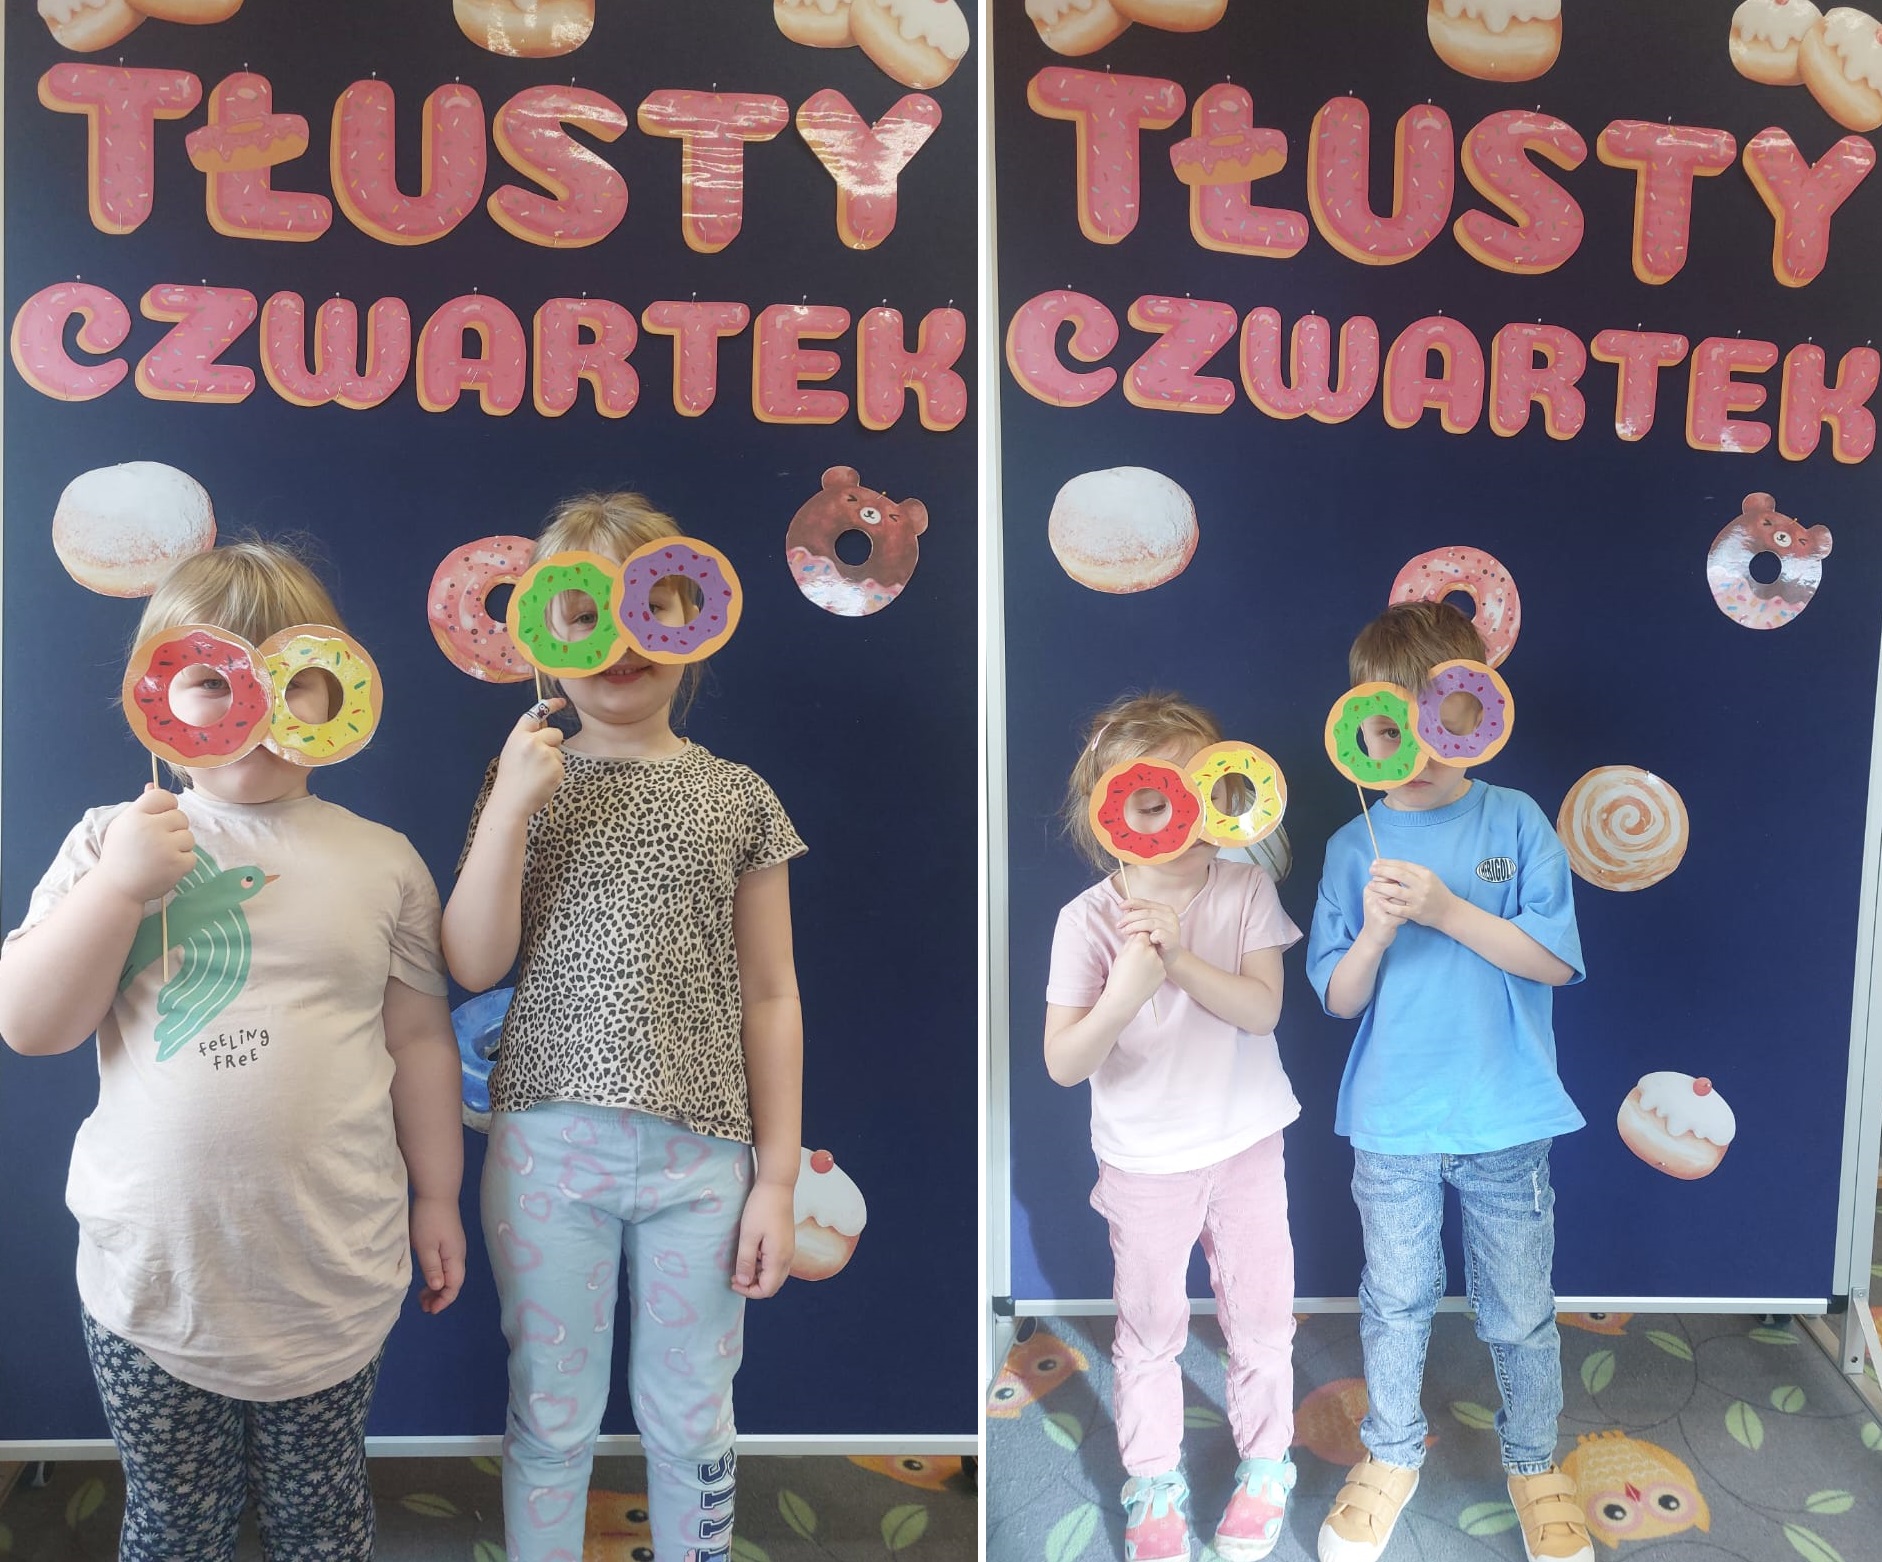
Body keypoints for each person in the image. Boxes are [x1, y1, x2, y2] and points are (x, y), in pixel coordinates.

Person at [0, 540, 465, 1561]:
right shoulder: (109, 839)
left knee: (320, 1518)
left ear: (338, 694)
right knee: (177, 1525)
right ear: (156, 698)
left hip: (331, 1271)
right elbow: (32, 1024)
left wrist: (438, 1194)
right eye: (215, 679)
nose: (254, 707)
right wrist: (120, 885)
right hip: (153, 1278)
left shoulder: (384, 862)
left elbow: (420, 1040)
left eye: (293, 679)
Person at [443, 492, 804, 1562]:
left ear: (696, 624)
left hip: (704, 1159)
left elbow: (771, 992)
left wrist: (777, 1177)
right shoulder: (524, 781)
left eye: (654, 604)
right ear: (542, 641)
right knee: (551, 1413)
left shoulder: (737, 795)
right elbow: (472, 961)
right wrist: (512, 806)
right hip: (547, 1152)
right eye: (583, 613)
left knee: (693, 1415)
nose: (620, 640)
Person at [1306, 600, 1592, 1562]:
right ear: (1361, 732)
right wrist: (1377, 931)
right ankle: (1390, 1454)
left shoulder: (1516, 819)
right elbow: (1339, 999)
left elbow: (1553, 961)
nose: (1419, 749)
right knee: (1394, 1302)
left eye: (1444, 720)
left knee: (1520, 1311)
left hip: (1505, 1114)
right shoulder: (1353, 846)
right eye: (1392, 729)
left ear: (1481, 712)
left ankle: (1534, 1462)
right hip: (1393, 1121)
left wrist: (1447, 908)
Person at [1044, 692, 1302, 1562]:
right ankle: (1153, 1478)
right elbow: (1065, 1061)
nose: (1184, 816)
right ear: (1109, 816)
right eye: (1157, 799)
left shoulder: (1245, 887)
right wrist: (1125, 990)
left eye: (1204, 790)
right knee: (1151, 1331)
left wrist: (1181, 959)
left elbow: (1262, 1011)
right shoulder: (1085, 921)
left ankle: (1265, 1464)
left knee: (1262, 1317)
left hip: (1248, 1143)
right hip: (1145, 1165)